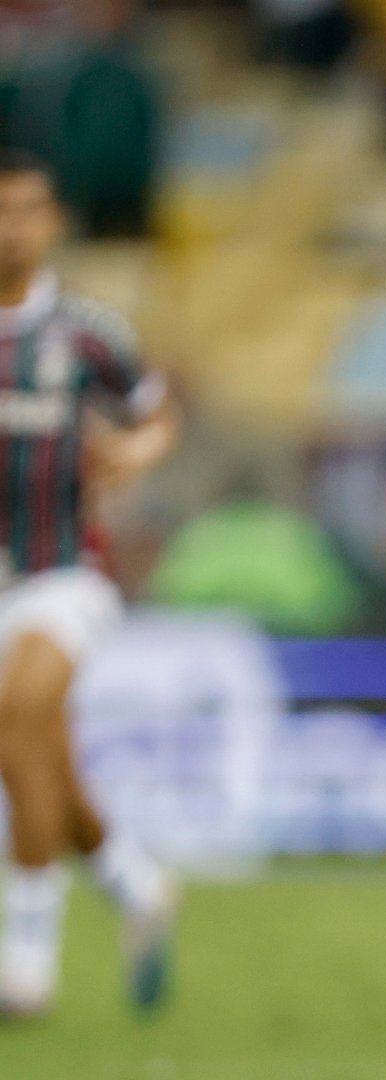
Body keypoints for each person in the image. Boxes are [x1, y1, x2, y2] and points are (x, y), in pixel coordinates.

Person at [0, 150, 179, 1017]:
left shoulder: (86, 332)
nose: (12, 227)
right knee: (43, 764)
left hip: (63, 572)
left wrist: (135, 452)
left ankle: (25, 959)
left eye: (27, 210)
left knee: (20, 714)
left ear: (53, 222)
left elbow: (155, 414)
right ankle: (136, 883)